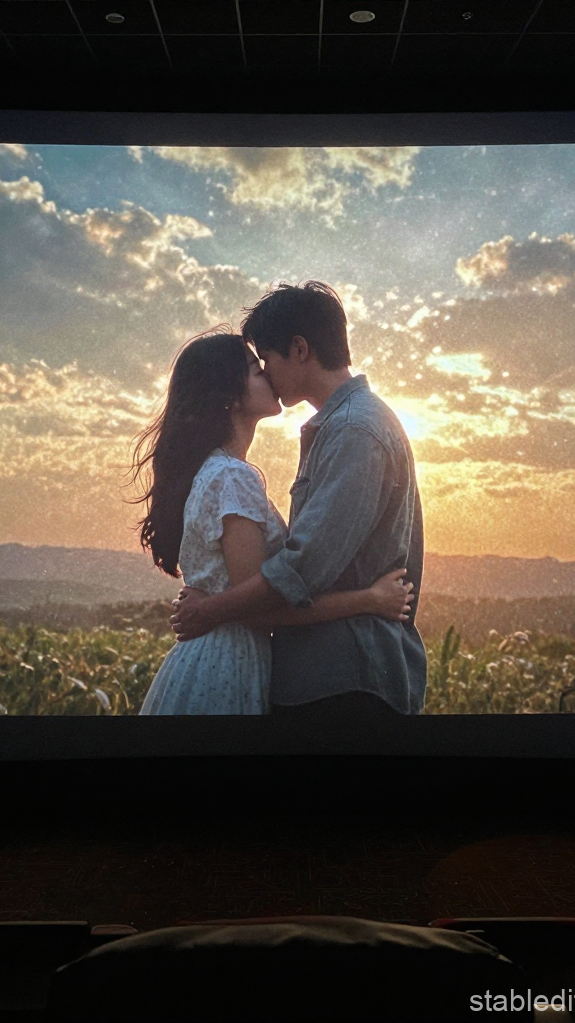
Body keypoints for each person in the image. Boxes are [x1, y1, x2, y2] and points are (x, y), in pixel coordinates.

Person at [171, 283, 427, 724]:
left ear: (300, 349)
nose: (266, 373)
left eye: (265, 359)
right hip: (327, 677)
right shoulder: (339, 428)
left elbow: (303, 571)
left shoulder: (355, 431)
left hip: (346, 679)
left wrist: (207, 610)